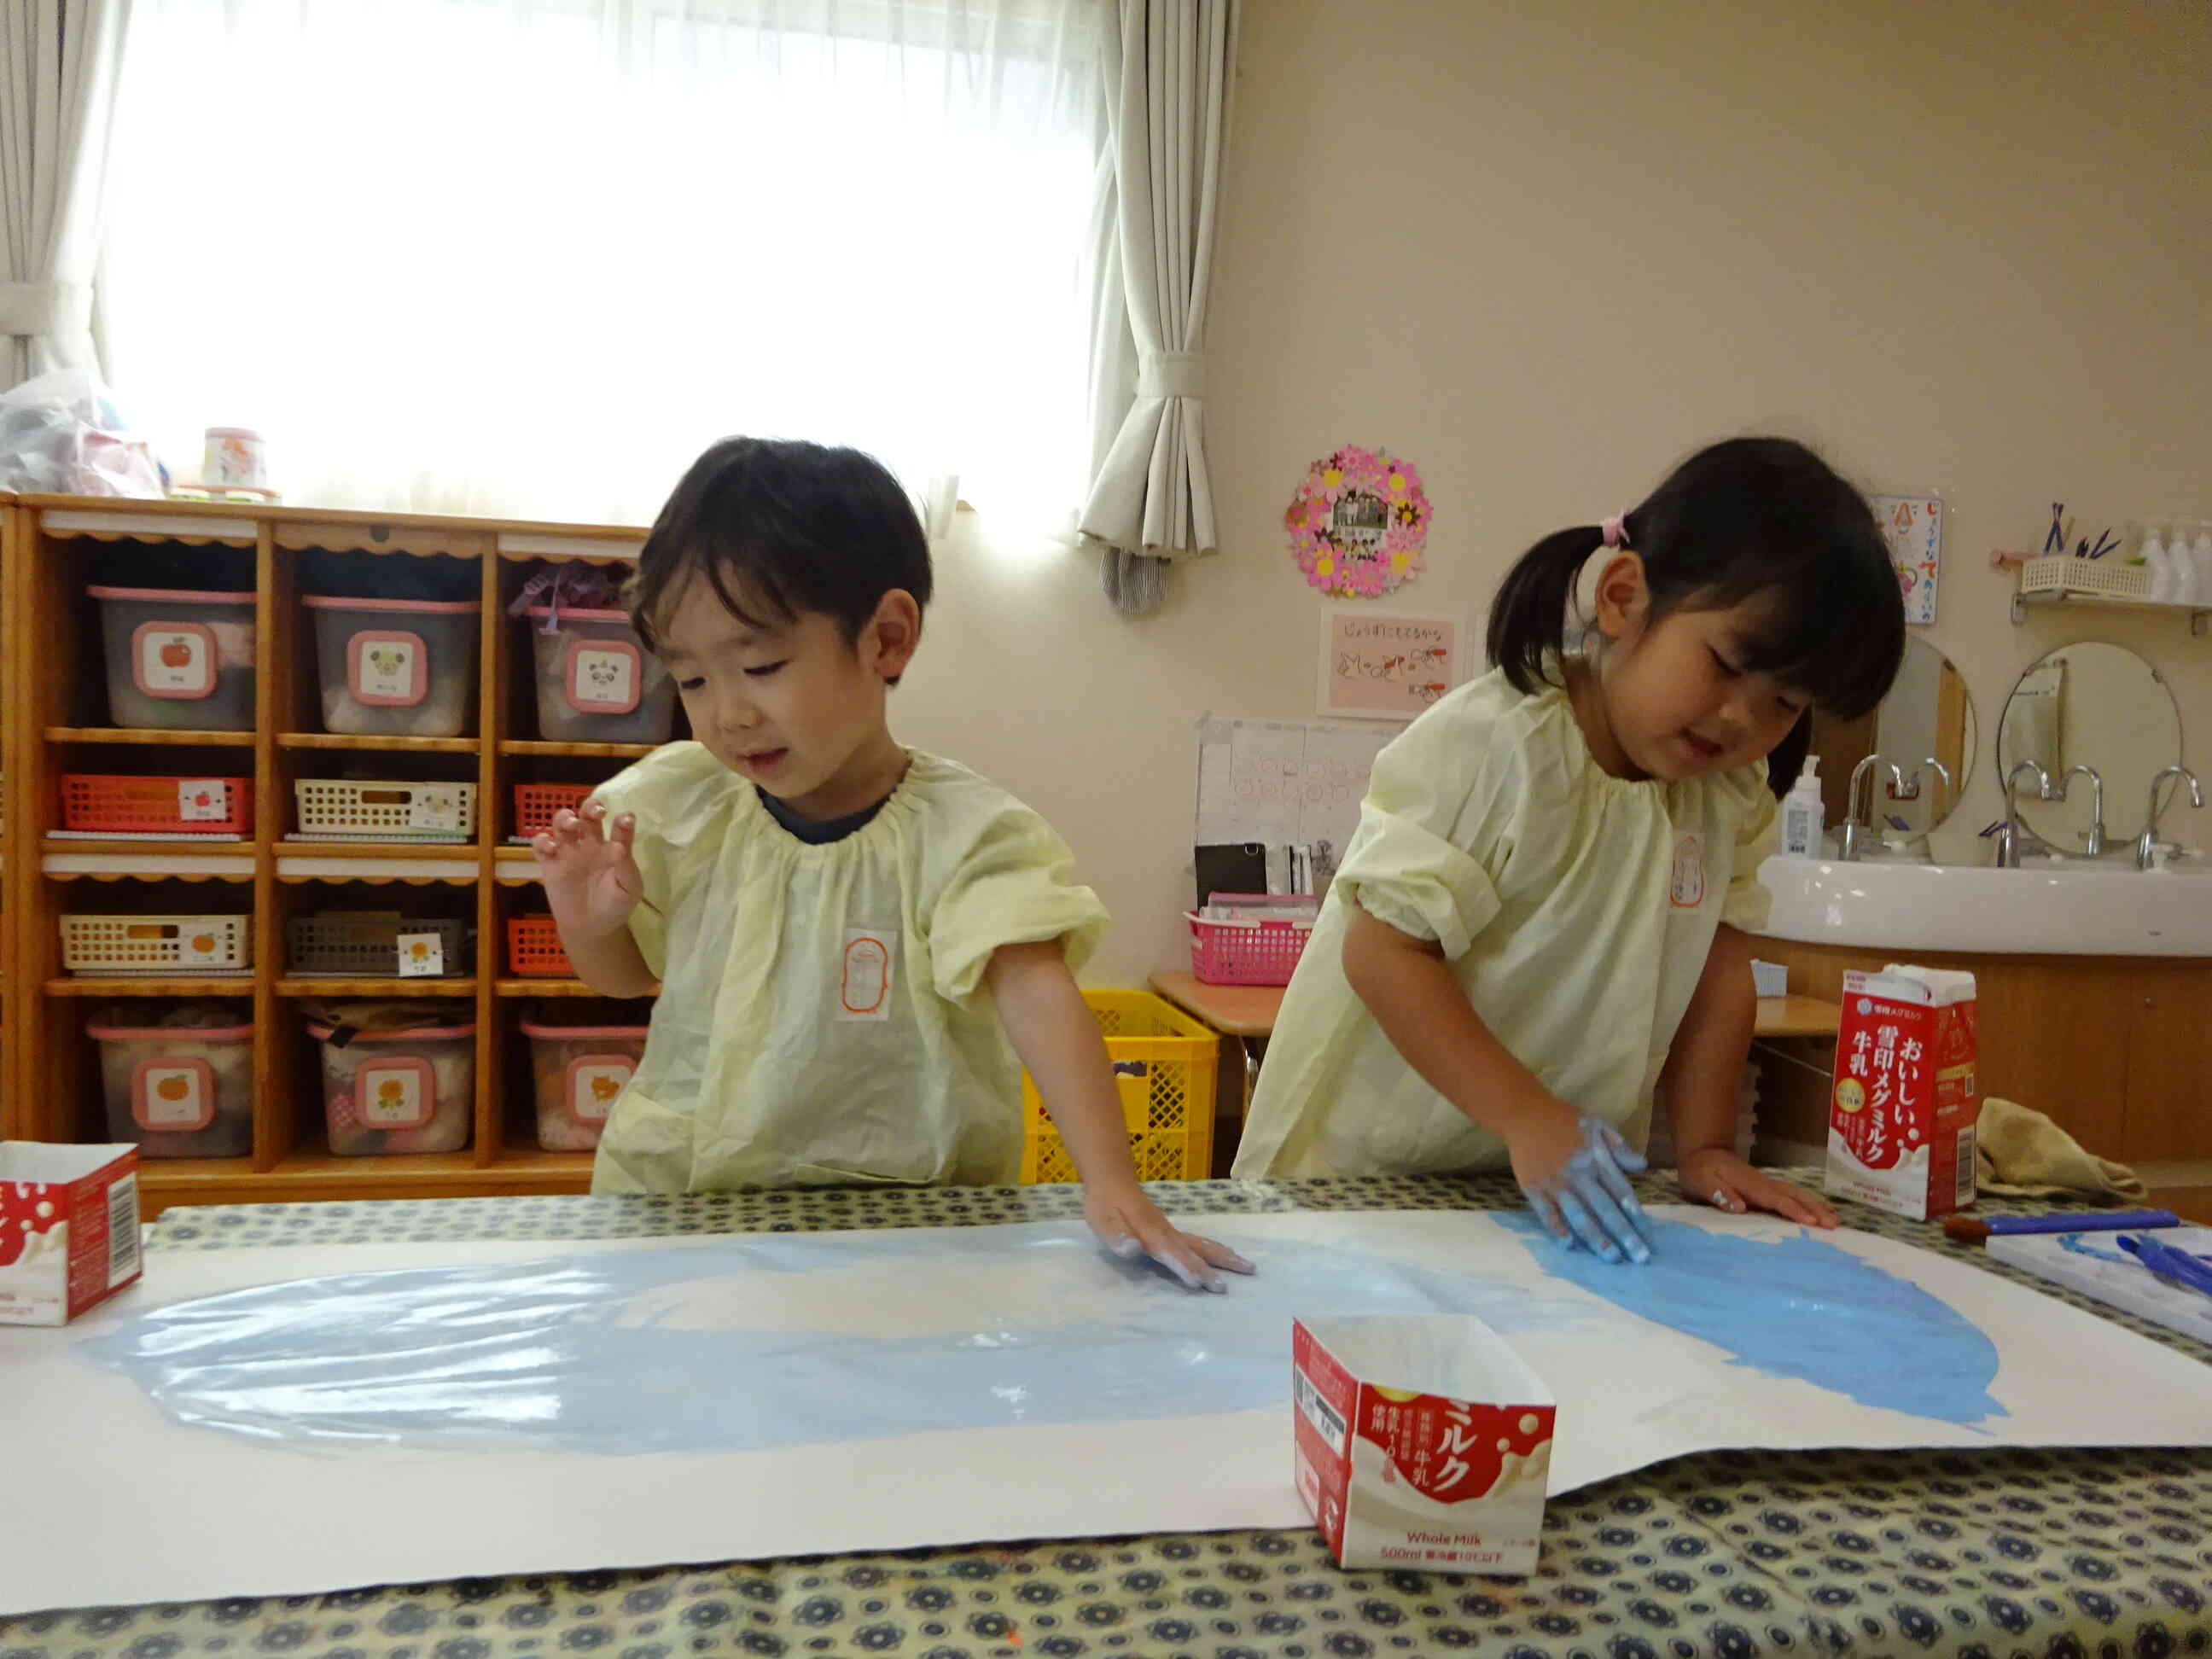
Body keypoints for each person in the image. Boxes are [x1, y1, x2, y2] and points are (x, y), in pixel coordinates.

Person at [535, 436, 1252, 1292]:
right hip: (692, 1200)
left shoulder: (965, 833)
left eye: (760, 667)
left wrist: (1110, 1180)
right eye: (691, 681)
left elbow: (1034, 992)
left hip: (915, 1214)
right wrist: (588, 922)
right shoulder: (679, 804)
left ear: (886, 638)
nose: (727, 715)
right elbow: (620, 981)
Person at [1231, 437, 1906, 1263]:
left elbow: (1717, 970)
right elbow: (1385, 953)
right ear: (1624, 599)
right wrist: (1524, 1113)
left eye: (1785, 703)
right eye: (1726, 665)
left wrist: (1706, 1149)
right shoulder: (1494, 748)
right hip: (1359, 1174)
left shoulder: (1724, 799)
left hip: (1539, 1186)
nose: (1741, 720)